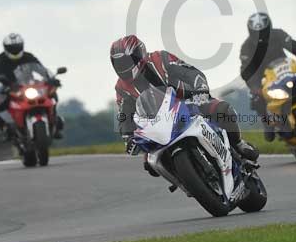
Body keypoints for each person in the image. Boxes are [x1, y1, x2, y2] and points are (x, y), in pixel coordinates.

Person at [110, 35, 259, 170]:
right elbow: (124, 115)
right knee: (149, 164)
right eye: (119, 63)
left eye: (127, 61)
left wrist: (200, 87)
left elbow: (189, 71)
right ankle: (186, 180)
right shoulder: (122, 87)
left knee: (222, 110)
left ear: (139, 54)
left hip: (188, 101)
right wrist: (128, 137)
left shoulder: (159, 58)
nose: (124, 66)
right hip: (157, 122)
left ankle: (239, 144)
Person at [239, 12, 296, 141]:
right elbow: (246, 70)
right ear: (251, 32)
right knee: (256, 99)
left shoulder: (278, 34)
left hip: (285, 69)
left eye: (263, 32)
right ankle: (267, 124)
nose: (260, 36)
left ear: (269, 28)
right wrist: (255, 87)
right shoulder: (246, 47)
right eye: (257, 33)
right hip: (263, 78)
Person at [0, 33, 64, 140]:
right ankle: (5, 128)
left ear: (22, 46)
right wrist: (4, 85)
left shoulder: (28, 57)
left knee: (52, 94)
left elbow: (41, 69)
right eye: (11, 48)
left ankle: (54, 123)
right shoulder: (0, 60)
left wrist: (51, 79)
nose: (14, 50)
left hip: (29, 87)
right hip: (9, 90)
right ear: (6, 48)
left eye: (17, 47)